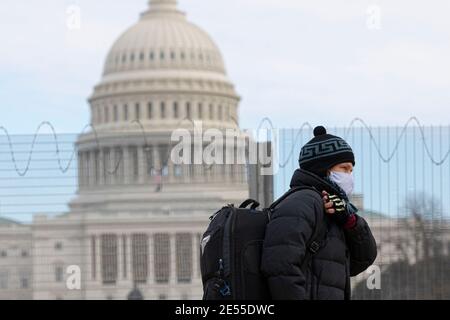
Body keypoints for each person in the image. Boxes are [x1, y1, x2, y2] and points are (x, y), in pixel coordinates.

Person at [261, 126, 377, 300]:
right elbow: (279, 267)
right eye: (344, 168)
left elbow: (361, 261)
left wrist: (350, 221)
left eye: (351, 170)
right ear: (325, 168)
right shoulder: (302, 203)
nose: (350, 176)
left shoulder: (335, 209)